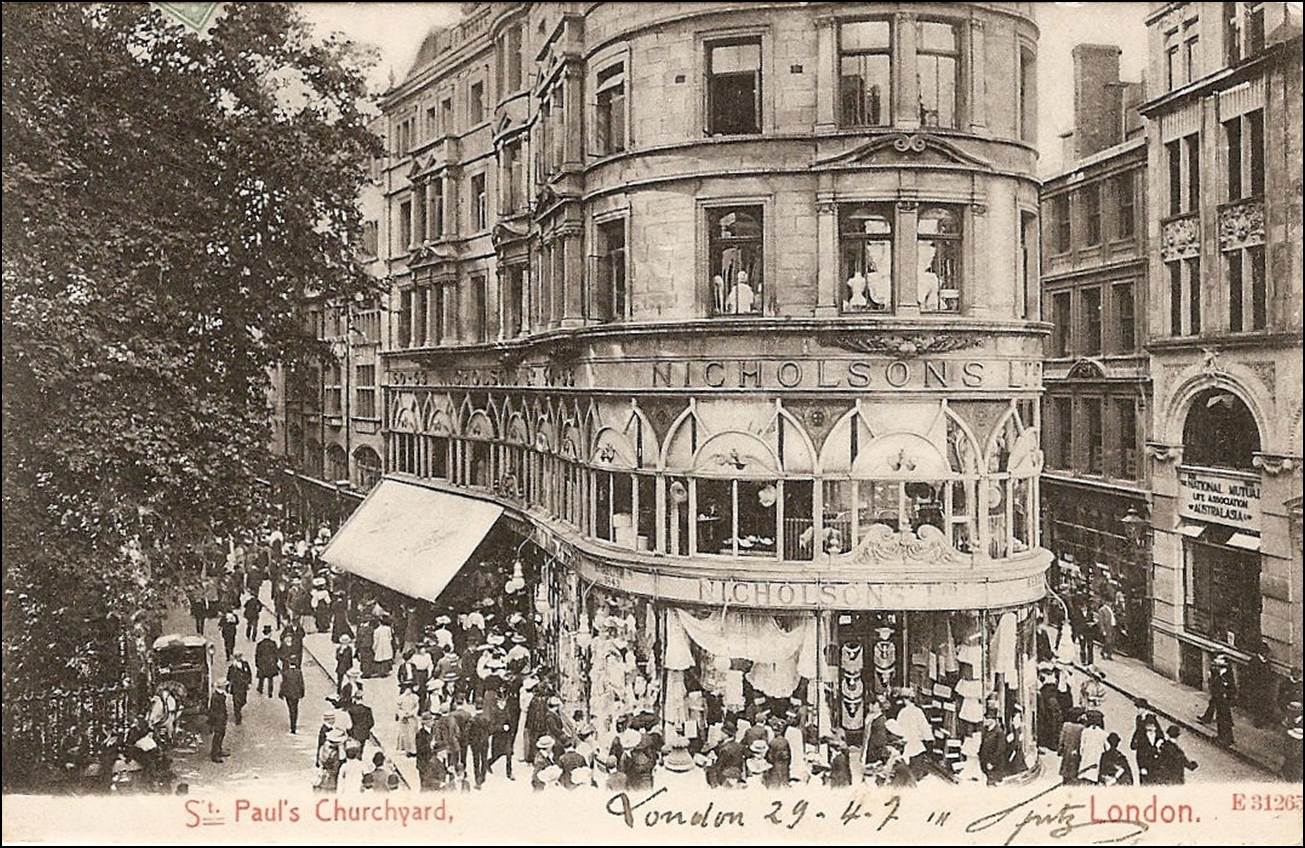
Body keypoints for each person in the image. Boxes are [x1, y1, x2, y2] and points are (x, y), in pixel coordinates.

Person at [1198, 654, 1237, 746]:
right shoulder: (1217, 673)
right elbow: (1213, 685)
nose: (1215, 664)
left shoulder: (1226, 675)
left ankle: (1226, 738)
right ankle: (1222, 737)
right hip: (1219, 698)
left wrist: (1228, 697)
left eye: (1218, 663)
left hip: (1224, 700)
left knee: (1224, 719)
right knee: (1221, 718)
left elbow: (1231, 688)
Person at [1245, 641, 1274, 729]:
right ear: (1262, 652)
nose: (1268, 654)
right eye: (1267, 652)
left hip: (1265, 687)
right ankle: (1258, 722)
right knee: (1258, 704)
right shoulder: (1254, 662)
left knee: (1265, 704)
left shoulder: (1267, 662)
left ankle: (1264, 720)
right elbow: (1251, 676)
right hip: (1257, 687)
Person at [1057, 706, 1085, 784]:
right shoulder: (1082, 728)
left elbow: (1061, 739)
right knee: (1075, 770)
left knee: (1066, 770)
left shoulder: (1066, 725)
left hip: (1067, 752)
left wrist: (1060, 749)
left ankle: (1065, 783)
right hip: (1076, 752)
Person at [1077, 712, 1108, 784]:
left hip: (1086, 762)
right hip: (1097, 762)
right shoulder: (1103, 734)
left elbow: (1081, 749)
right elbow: (1107, 748)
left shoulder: (1085, 732)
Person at [1133, 714, 1163, 786]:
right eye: (1149, 729)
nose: (1151, 731)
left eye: (1153, 728)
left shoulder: (1159, 738)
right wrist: (1142, 767)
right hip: (1145, 768)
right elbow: (1139, 755)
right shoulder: (1142, 739)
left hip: (1157, 768)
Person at [978, 713, 1007, 785]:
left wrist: (992, 762)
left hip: (995, 765)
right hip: (986, 763)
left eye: (987, 719)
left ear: (993, 720)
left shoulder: (999, 732)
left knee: (993, 785)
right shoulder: (985, 731)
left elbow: (1000, 749)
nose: (985, 721)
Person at [227, 652, 252, 726]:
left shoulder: (245, 664)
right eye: (238, 657)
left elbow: (249, 674)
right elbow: (228, 677)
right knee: (236, 703)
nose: (239, 658)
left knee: (243, 701)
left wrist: (249, 682)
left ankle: (238, 710)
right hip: (236, 687)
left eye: (240, 656)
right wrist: (227, 687)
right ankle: (238, 718)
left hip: (244, 686)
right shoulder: (233, 667)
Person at [395, 683, 420, 757]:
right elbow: (398, 708)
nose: (408, 690)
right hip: (404, 719)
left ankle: (414, 750)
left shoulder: (415, 697)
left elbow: (417, 707)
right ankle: (407, 750)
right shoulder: (401, 698)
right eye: (406, 688)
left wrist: (412, 713)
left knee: (413, 734)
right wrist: (403, 714)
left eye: (409, 688)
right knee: (405, 735)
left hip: (412, 718)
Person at [280, 662, 305, 733]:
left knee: (290, 709)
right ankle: (294, 723)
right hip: (296, 694)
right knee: (295, 709)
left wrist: (281, 693)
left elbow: (283, 684)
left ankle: (292, 724)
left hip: (288, 694)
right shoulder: (299, 672)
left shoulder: (286, 673)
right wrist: (302, 693)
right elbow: (301, 683)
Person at [207, 682, 229, 763]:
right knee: (217, 736)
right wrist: (215, 721)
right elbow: (215, 711)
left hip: (221, 719)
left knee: (221, 734)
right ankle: (214, 754)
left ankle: (219, 750)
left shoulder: (220, 695)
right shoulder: (216, 697)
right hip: (218, 720)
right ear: (222, 686)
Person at [255, 625, 279, 697]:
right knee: (270, 678)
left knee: (261, 677)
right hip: (270, 663)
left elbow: (257, 655)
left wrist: (257, 664)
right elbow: (276, 654)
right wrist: (275, 662)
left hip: (262, 664)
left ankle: (260, 689)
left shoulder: (260, 644)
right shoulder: (273, 643)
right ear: (269, 634)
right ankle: (270, 692)